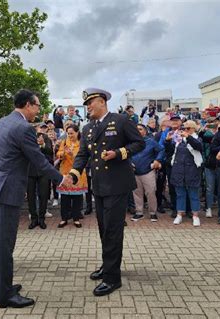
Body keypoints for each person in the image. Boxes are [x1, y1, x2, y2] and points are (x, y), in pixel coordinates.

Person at [0, 89, 69, 308]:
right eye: (37, 106)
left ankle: (1, 287)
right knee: (4, 245)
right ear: (28, 105)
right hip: (7, 191)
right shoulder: (23, 128)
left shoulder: (1, 122)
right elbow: (39, 161)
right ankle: (4, 296)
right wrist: (61, 179)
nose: (38, 110)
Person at [68, 88, 145, 297]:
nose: (88, 107)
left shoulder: (120, 120)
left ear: (102, 101)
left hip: (118, 185)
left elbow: (139, 143)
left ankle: (112, 278)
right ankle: (108, 266)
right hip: (100, 185)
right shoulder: (88, 128)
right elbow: (83, 154)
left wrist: (120, 153)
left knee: (113, 230)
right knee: (104, 229)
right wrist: (74, 174)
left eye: (90, 103)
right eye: (86, 104)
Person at [170, 120, 203, 227]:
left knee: (193, 194)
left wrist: (188, 137)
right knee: (180, 194)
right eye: (184, 128)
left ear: (193, 129)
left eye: (188, 128)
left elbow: (198, 146)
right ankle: (179, 214)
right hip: (179, 170)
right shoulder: (179, 140)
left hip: (192, 170)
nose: (185, 130)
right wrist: (167, 141)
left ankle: (195, 216)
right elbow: (171, 151)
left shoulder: (197, 138)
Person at [131, 124, 164, 222]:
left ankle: (153, 213)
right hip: (134, 172)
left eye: (140, 129)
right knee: (137, 193)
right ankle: (139, 212)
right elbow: (126, 154)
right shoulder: (130, 143)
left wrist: (157, 160)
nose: (138, 131)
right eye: (136, 129)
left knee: (150, 192)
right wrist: (129, 163)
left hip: (148, 171)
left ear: (145, 131)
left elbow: (161, 150)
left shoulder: (151, 142)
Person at [56, 124, 87, 228]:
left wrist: (72, 154)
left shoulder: (82, 143)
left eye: (71, 133)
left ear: (77, 132)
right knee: (64, 198)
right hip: (65, 173)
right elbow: (58, 154)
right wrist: (64, 153)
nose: (69, 135)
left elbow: (83, 159)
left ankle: (76, 218)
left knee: (77, 197)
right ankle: (64, 218)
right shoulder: (64, 142)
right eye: (68, 133)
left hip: (77, 174)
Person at [27, 132, 54, 230]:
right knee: (31, 196)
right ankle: (34, 218)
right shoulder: (27, 140)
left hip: (43, 172)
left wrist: (42, 145)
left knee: (43, 195)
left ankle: (42, 218)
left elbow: (50, 153)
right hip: (30, 172)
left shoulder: (47, 139)